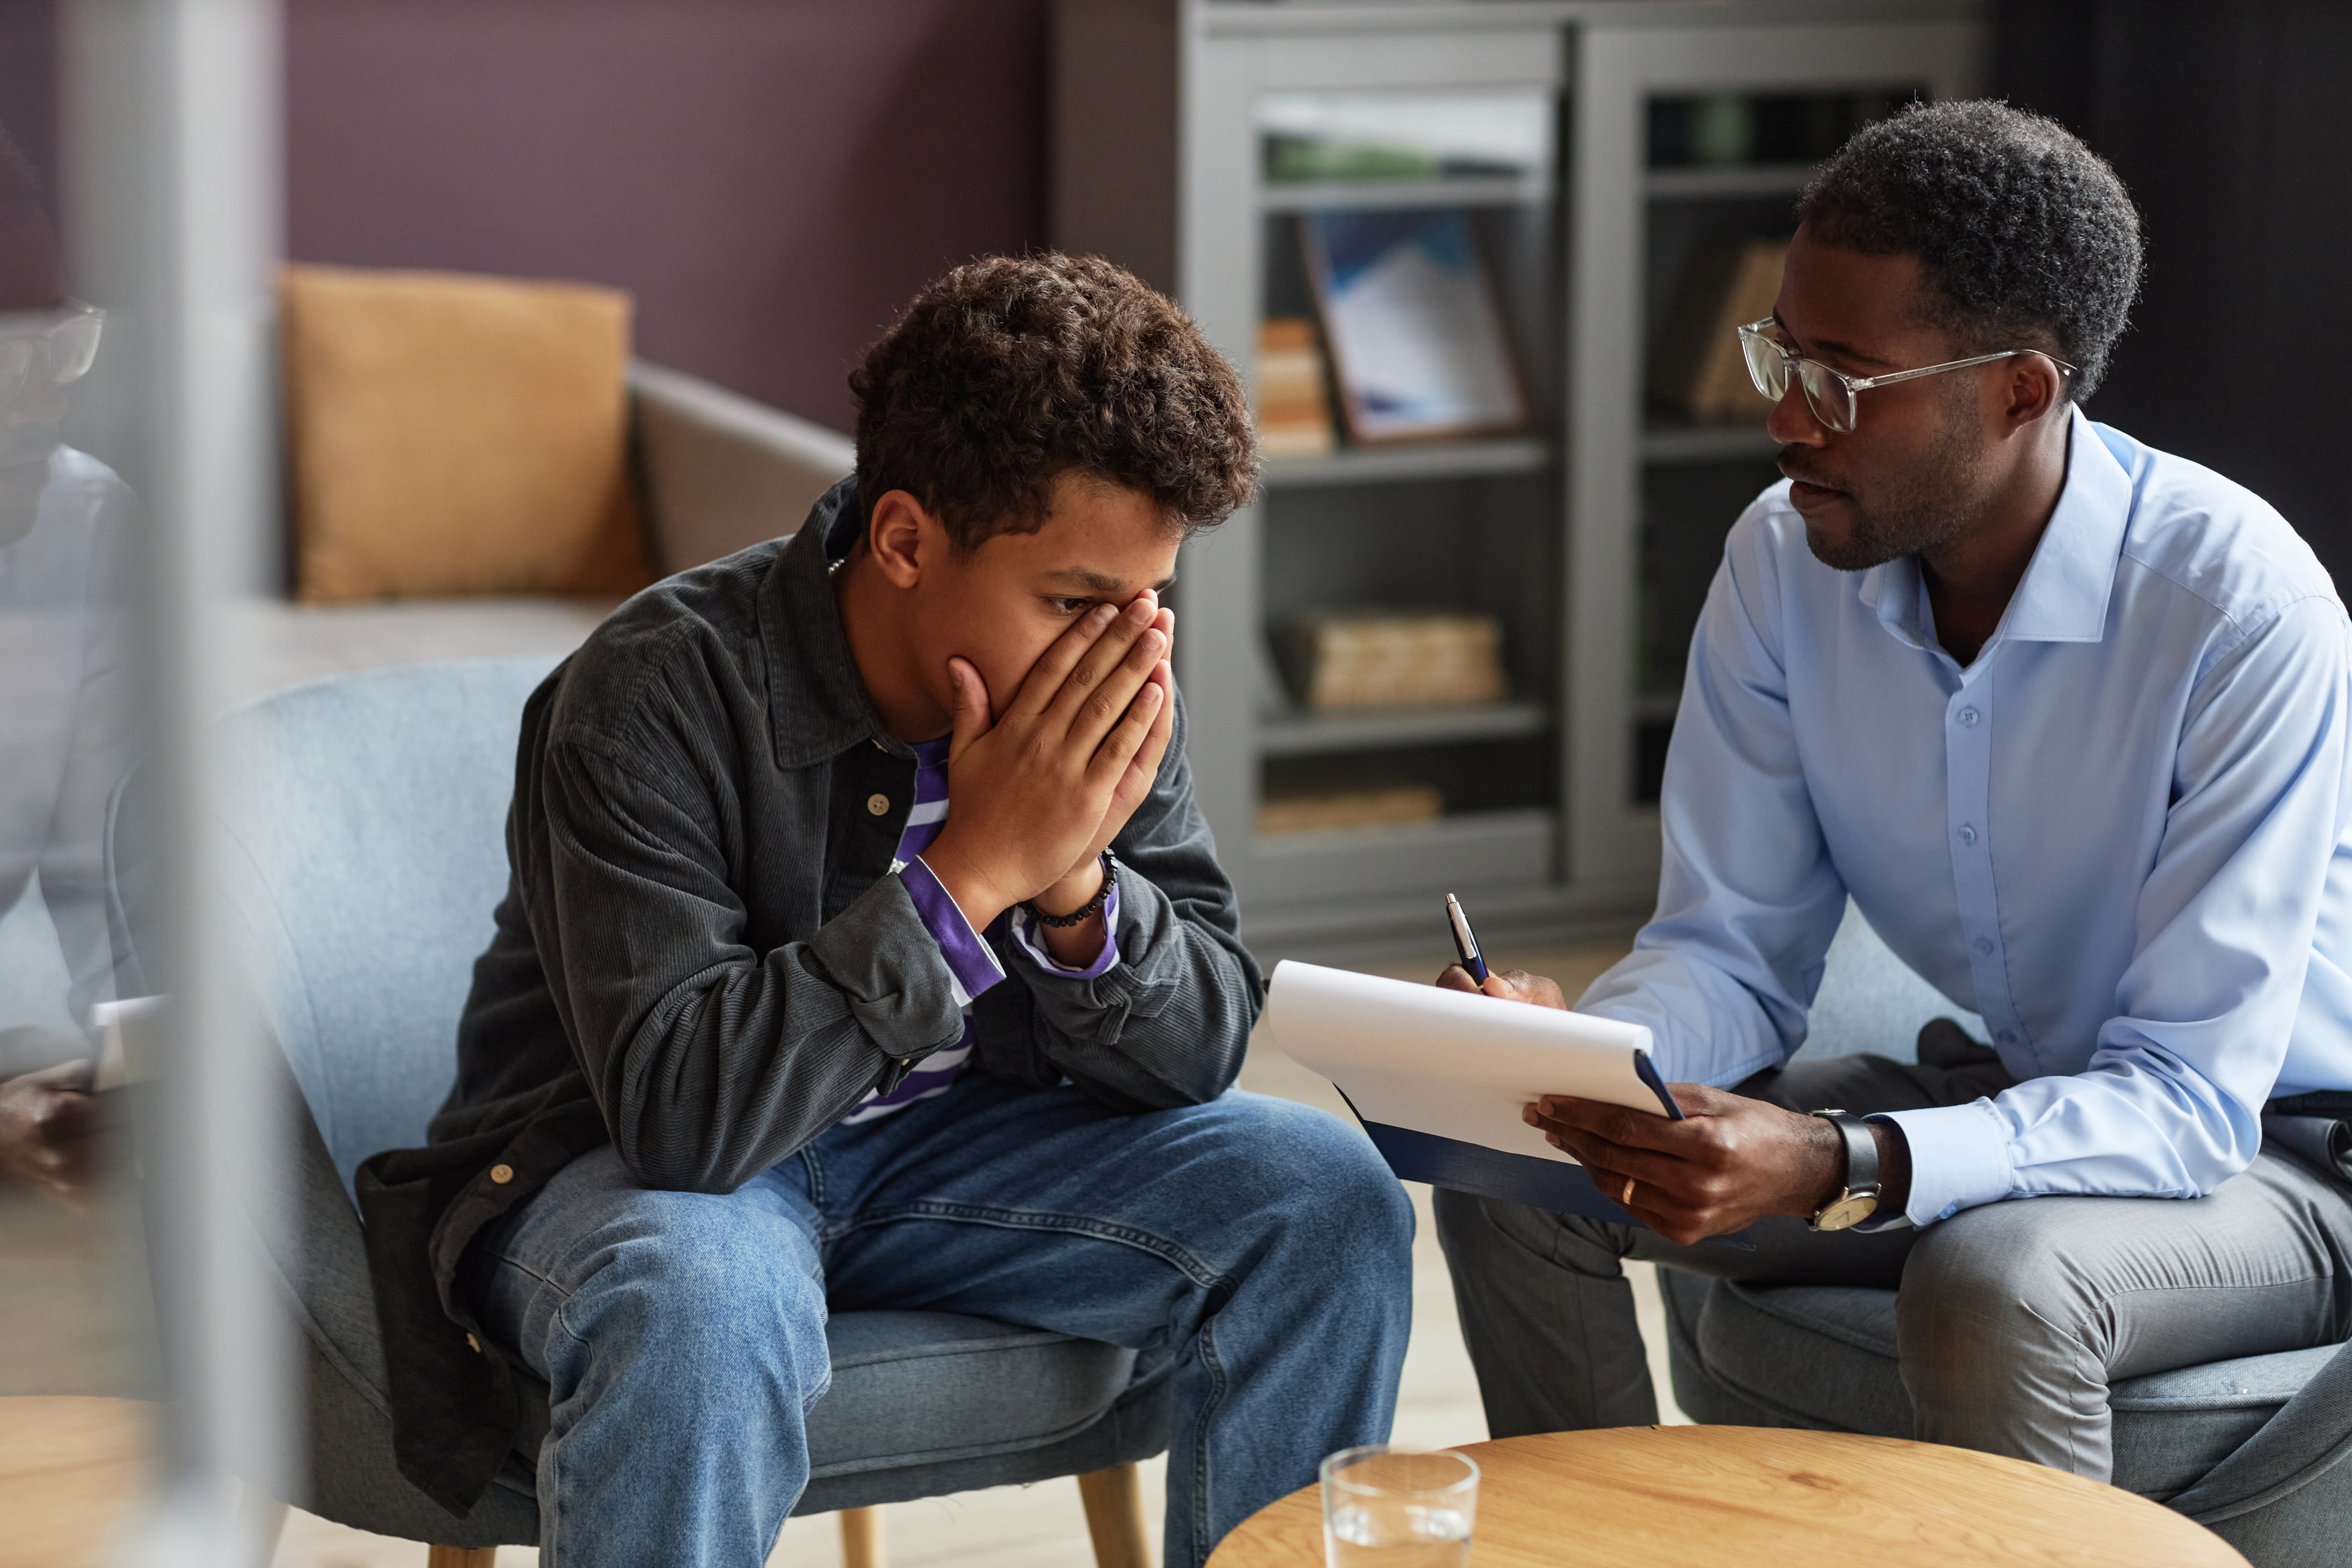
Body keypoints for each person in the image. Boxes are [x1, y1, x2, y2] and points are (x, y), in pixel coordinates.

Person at [357, 253, 1415, 1568]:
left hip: (952, 1156)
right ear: (907, 540)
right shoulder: (651, 692)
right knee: (701, 1303)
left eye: (1151, 601)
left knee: (1331, 1198)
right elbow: (686, 1122)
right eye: (1075, 602)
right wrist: (970, 876)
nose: (1128, 647)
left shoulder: (1105, 684)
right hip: (636, 1174)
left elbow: (1200, 1053)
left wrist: (1078, 889)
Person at [1434, 100, 2352, 1483]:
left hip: (2275, 1154)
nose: (1783, 417)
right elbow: (1727, 949)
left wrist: (1841, 1156)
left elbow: (2182, 1102)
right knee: (1524, 1175)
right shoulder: (1779, 565)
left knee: (1997, 1280)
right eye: (1780, 354)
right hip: (2021, 1087)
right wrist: (1586, 1072)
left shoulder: (2237, 608)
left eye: (1843, 382)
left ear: (2020, 392)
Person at [0, 121, 128, 1218]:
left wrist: (129, 1069)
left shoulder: (87, 529)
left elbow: (109, 874)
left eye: (63, 347)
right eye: (7, 358)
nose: (46, 403)